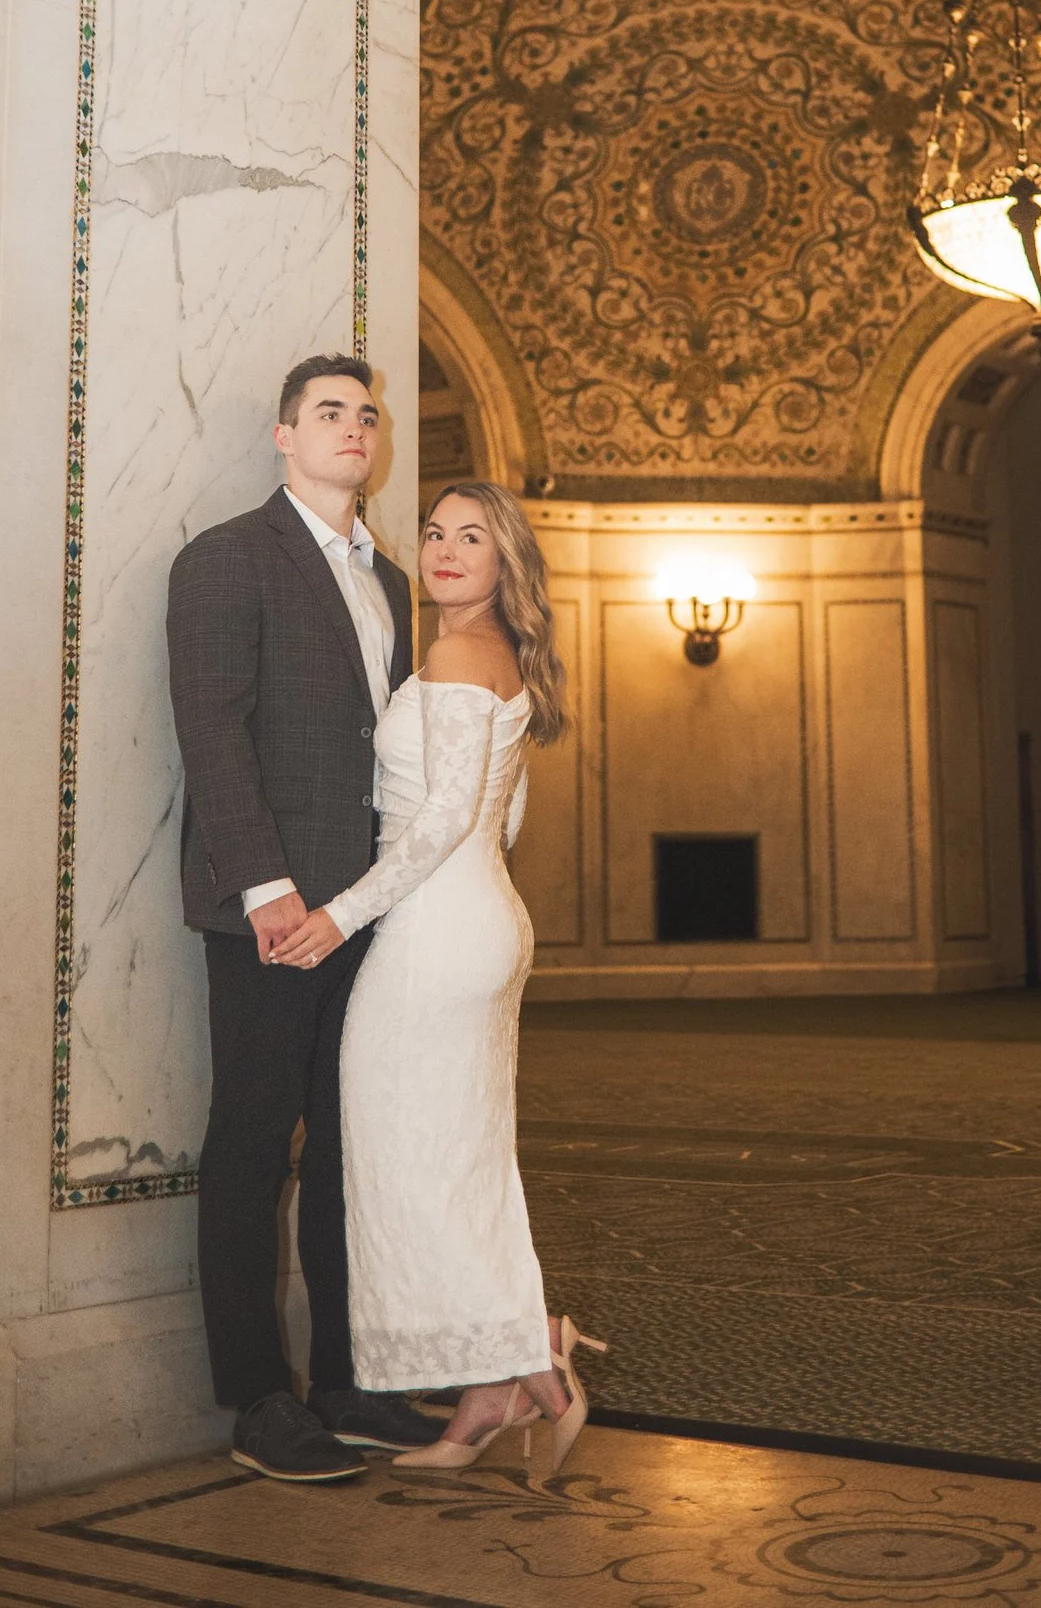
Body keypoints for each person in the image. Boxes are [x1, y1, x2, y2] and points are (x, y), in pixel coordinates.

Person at [269, 480, 604, 1476]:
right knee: (453, 1159)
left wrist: (338, 915)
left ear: (505, 561)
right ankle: (494, 1384)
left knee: (408, 1162)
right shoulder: (499, 657)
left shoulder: (459, 652)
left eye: (474, 536)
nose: (449, 549)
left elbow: (448, 818)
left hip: (433, 934)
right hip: (484, 920)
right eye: (436, 532)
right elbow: (504, 819)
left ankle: (528, 1353)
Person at [166, 355, 440, 1484]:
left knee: (346, 1147)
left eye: (365, 415)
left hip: (367, 910)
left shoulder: (390, 576)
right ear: (283, 436)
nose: (353, 428)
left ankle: (345, 1381)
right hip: (275, 913)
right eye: (328, 413)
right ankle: (255, 1399)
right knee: (249, 1141)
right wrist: (270, 891)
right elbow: (213, 733)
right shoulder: (226, 557)